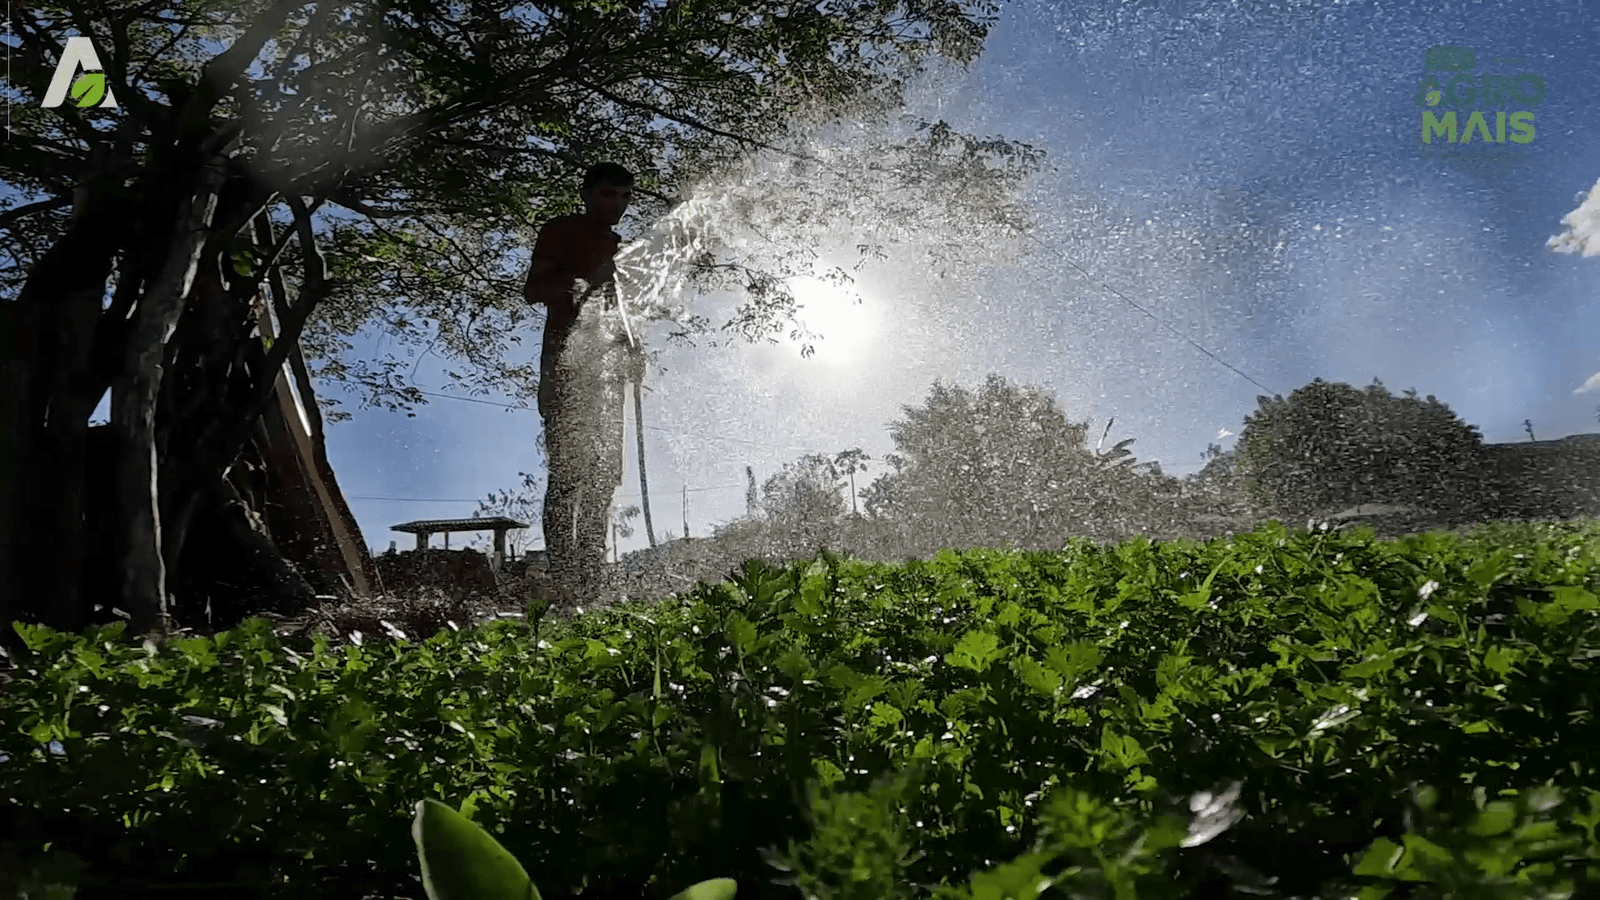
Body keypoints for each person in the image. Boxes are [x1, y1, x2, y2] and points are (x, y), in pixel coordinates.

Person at [523, 162, 646, 607]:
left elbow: (622, 313)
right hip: (565, 372)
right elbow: (532, 289)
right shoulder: (560, 231)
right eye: (609, 194)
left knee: (604, 479)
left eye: (626, 196)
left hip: (607, 379)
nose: (618, 204)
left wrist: (635, 351)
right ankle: (563, 580)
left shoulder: (620, 248)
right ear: (588, 194)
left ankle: (592, 578)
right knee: (567, 478)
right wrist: (573, 285)